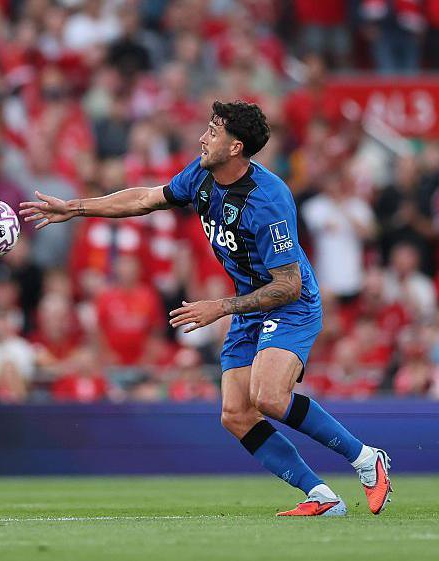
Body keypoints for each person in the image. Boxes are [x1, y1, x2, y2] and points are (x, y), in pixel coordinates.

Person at [21, 101, 393, 518]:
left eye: (213, 131)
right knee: (235, 414)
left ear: (235, 147)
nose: (203, 137)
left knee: (269, 397)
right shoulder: (202, 173)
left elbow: (289, 285)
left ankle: (365, 459)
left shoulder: (268, 201)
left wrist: (222, 306)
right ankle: (322, 497)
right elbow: (146, 198)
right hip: (247, 302)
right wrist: (75, 208)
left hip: (290, 304)